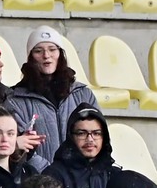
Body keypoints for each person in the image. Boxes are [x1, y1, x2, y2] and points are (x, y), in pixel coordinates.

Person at [9, 27, 95, 172]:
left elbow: (98, 136)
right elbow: (21, 148)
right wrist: (50, 173)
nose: (46, 55)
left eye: (52, 49)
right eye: (38, 51)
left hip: (80, 176)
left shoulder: (83, 94)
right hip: (39, 179)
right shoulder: (15, 99)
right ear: (30, 57)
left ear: (60, 53)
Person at [50, 106, 117, 188]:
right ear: (71, 136)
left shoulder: (113, 174)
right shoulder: (55, 175)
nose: (90, 139)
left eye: (96, 133)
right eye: (81, 133)